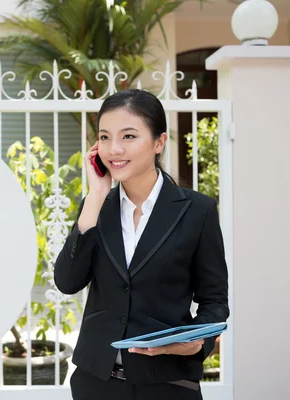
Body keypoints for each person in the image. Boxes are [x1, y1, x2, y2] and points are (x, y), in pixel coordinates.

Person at [54, 89, 229, 400]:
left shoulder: (197, 211)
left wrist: (197, 343)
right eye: (105, 137)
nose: (114, 149)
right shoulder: (95, 207)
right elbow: (68, 282)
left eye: (129, 136)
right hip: (96, 383)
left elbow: (214, 301)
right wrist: (95, 196)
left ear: (159, 142)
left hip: (168, 383)